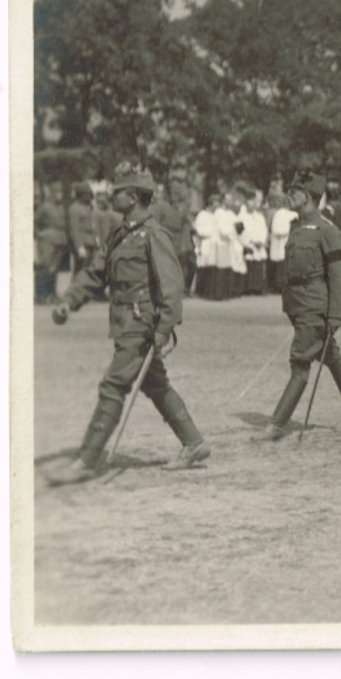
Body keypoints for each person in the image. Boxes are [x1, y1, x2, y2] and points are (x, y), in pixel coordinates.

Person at [46, 163, 208, 483]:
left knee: (113, 385)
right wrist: (69, 301)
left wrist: (163, 328)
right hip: (124, 323)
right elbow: (95, 272)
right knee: (154, 383)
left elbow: (172, 285)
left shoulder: (153, 234)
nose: (110, 195)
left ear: (132, 197)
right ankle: (194, 443)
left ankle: (86, 460)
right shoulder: (119, 234)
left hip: (141, 325)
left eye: (117, 191)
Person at [254, 172, 341, 440]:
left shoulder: (327, 231)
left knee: (300, 363)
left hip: (315, 306)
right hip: (297, 304)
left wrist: (336, 314)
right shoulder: (297, 227)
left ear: (307, 197)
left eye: (294, 192)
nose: (288, 196)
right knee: (329, 354)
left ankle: (277, 424)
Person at [34, 185, 70, 305]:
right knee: (45, 267)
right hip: (48, 240)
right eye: (57, 191)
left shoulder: (60, 207)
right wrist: (38, 234)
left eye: (60, 191)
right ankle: (41, 295)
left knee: (55, 268)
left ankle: (52, 293)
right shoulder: (45, 207)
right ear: (52, 193)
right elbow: (33, 220)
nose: (59, 194)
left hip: (60, 238)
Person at [66, 183, 98, 289]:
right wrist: (79, 247)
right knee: (79, 270)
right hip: (82, 243)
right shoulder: (74, 209)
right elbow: (74, 230)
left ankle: (84, 291)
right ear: (80, 195)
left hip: (91, 242)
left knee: (89, 269)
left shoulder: (89, 208)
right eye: (87, 194)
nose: (89, 197)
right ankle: (73, 292)